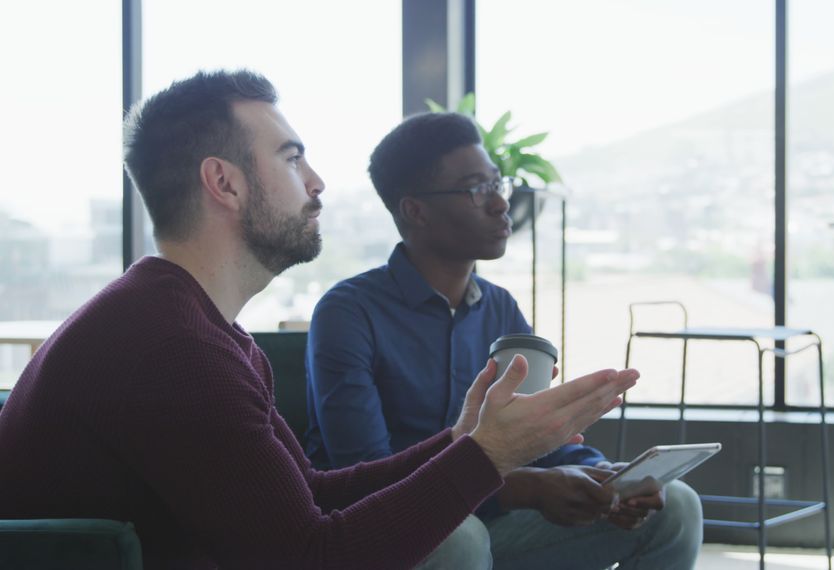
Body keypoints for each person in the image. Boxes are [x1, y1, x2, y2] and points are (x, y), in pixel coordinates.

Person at [0, 70, 639, 570]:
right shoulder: (173, 347)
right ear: (224, 182)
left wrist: (461, 442)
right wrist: (489, 458)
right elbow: (313, 559)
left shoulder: (194, 326)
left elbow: (310, 491)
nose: (318, 182)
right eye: (291, 158)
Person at [306, 112, 703, 569]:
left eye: (497, 183)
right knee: (460, 538)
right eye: (477, 189)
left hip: (492, 521)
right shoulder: (349, 312)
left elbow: (537, 435)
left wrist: (602, 473)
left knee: (677, 506)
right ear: (416, 211)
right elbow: (366, 474)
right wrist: (524, 488)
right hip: (390, 535)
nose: (499, 203)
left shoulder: (499, 308)